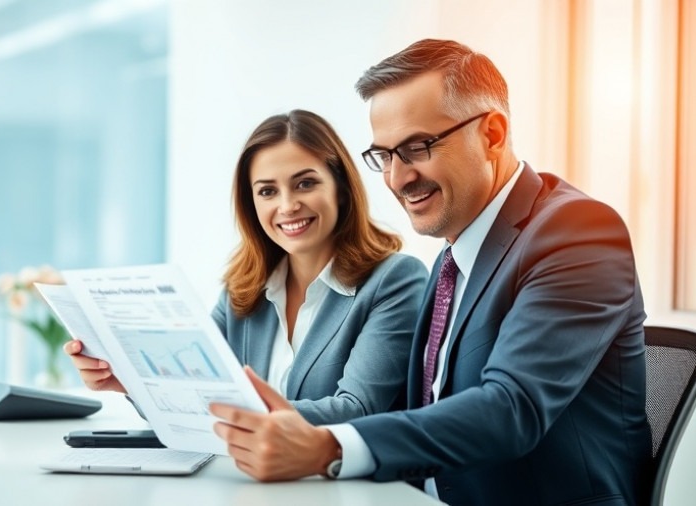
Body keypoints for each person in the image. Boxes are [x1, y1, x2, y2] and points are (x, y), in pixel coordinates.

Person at [209, 39, 652, 506]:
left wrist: (329, 447)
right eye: (384, 156)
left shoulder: (576, 232)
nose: (398, 179)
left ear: (493, 134)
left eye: (417, 147)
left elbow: (510, 409)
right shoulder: (453, 258)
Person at [65, 109, 428, 424]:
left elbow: (356, 411)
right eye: (268, 191)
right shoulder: (242, 290)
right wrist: (134, 381)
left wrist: (222, 410)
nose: (287, 206)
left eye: (305, 183)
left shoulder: (394, 281)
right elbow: (189, 395)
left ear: (342, 188)